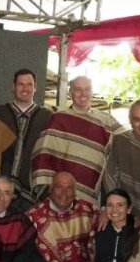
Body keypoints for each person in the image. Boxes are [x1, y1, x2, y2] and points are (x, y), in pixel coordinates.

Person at [31, 76, 125, 205]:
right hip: (60, 196)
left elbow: (128, 142)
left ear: (92, 92)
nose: (83, 94)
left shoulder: (107, 121)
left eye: (87, 89)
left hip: (90, 195)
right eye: (78, 89)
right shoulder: (58, 118)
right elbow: (43, 154)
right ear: (70, 92)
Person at [25, 172, 98, 262]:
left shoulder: (89, 210)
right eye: (59, 187)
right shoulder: (33, 215)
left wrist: (104, 212)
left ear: (75, 192)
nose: (64, 193)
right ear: (50, 189)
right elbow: (28, 255)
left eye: (69, 188)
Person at [0, 69, 52, 209]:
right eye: (20, 84)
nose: (25, 88)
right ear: (13, 86)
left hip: (33, 191)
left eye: (29, 84)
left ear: (35, 88)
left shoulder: (48, 118)